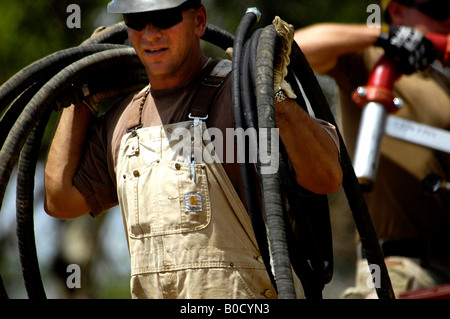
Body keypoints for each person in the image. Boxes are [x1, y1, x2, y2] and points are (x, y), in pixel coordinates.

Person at [44, 0, 342, 299]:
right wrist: (80, 96)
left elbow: (326, 177)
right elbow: (61, 200)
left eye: (164, 17)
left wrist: (274, 96)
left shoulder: (243, 97)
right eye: (135, 21)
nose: (150, 34)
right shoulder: (123, 120)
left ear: (199, 21)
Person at [294, 0, 450, 298]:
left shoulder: (444, 84)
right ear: (397, 11)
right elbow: (296, 46)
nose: (447, 21)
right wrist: (382, 35)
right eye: (437, 9)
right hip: (400, 268)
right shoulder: (370, 59)